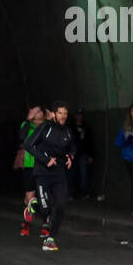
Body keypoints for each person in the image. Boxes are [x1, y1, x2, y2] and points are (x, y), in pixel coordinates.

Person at [23, 100, 77, 251]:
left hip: (59, 174)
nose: (63, 116)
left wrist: (70, 157)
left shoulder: (67, 132)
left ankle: (50, 238)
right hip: (43, 173)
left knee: (61, 206)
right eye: (60, 113)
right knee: (46, 209)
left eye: (65, 114)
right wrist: (45, 160)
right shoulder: (45, 128)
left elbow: (72, 147)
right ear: (53, 114)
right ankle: (34, 205)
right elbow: (28, 144)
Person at [14, 105, 43, 237]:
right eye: (35, 120)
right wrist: (28, 119)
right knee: (29, 199)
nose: (37, 122)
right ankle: (26, 224)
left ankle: (46, 225)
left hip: (43, 166)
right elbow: (21, 137)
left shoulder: (46, 127)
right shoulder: (26, 126)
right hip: (29, 166)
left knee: (44, 198)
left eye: (40, 120)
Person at [69, 109, 94, 199]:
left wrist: (91, 155)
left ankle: (83, 193)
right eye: (77, 114)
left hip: (83, 154)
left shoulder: (86, 127)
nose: (79, 116)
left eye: (81, 115)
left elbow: (90, 142)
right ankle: (73, 193)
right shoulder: (71, 127)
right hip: (73, 154)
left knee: (84, 174)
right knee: (73, 174)